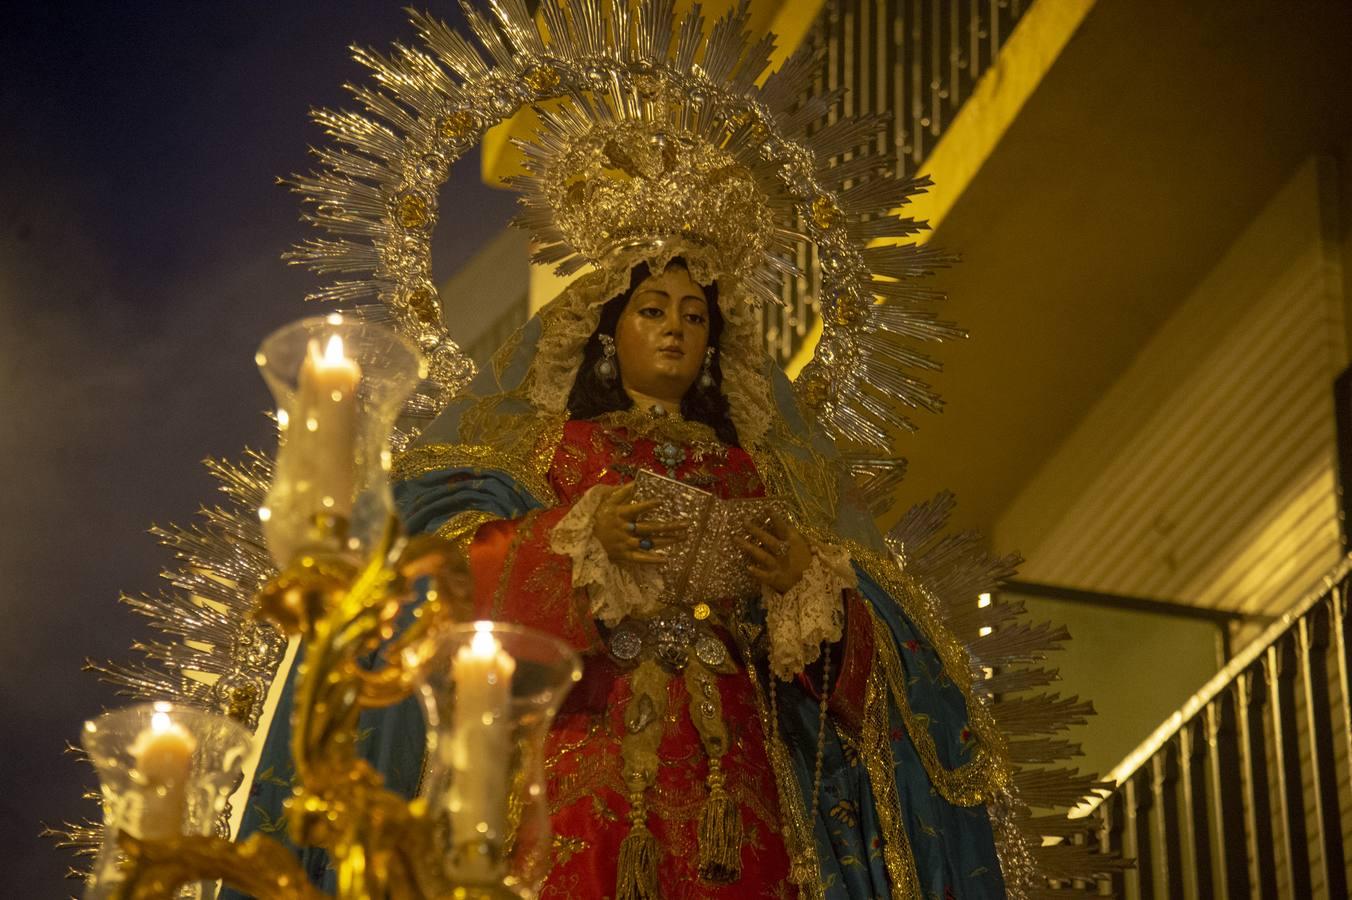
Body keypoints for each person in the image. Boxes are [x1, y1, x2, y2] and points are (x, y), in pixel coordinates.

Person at [232, 252, 1010, 899]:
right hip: (585, 733)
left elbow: (854, 664)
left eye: (694, 315)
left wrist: (800, 583)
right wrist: (574, 543)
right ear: (608, 334)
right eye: (652, 308)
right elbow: (446, 574)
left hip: (733, 764)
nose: (675, 326)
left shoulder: (759, 474)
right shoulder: (551, 453)